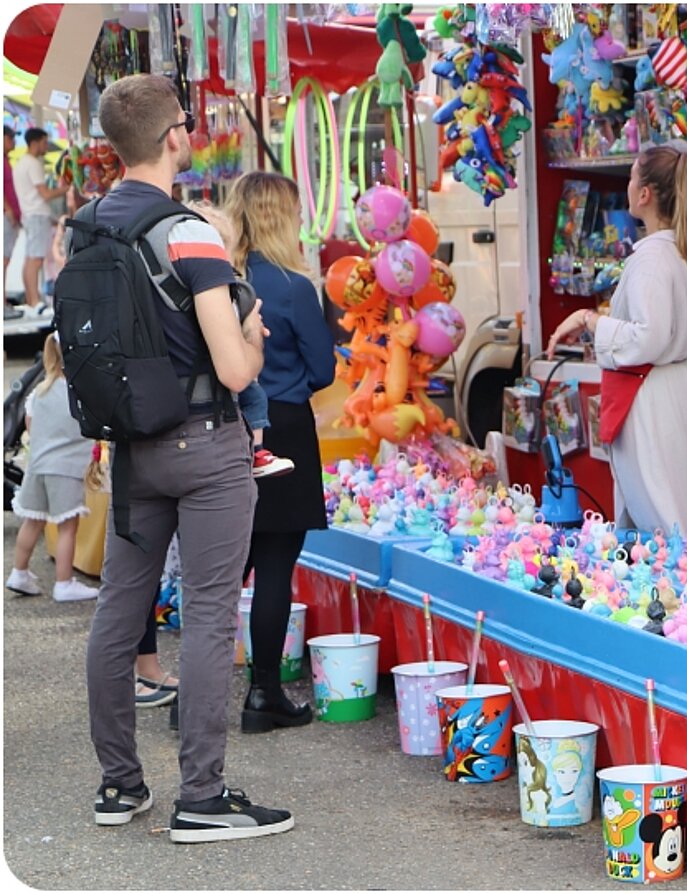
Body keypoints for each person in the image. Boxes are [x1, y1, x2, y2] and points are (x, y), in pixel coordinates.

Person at [81, 74, 293, 842]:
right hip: (205, 445)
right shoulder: (190, 231)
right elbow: (236, 371)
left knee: (118, 612)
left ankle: (119, 786)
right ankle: (201, 797)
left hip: (130, 448)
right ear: (177, 136)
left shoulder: (86, 226)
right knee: (206, 613)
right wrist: (254, 333)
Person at [544, 143, 687, 537]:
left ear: (644, 195)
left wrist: (591, 320)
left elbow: (649, 337)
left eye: (631, 179)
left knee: (662, 512)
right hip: (674, 385)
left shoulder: (652, 258)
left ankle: (685, 584)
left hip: (649, 392)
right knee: (680, 500)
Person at [222, 171, 334, 734]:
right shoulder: (293, 286)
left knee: (219, 571)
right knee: (273, 568)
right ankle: (263, 693)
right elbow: (324, 369)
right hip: (285, 427)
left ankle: (191, 695)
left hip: (225, 427)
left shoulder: (218, 280)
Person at [187, 200, 294, 478]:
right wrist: (251, 330)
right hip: (223, 369)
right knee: (253, 395)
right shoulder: (226, 288)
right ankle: (256, 449)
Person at [5, 333, 100, 602]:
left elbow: (31, 429)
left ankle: (19, 572)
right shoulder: (82, 393)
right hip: (67, 469)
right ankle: (64, 582)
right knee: (67, 527)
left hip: (37, 467)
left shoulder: (39, 391)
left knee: (32, 520)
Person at [14, 127, 64, 316]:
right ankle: (35, 302)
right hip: (36, 215)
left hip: (29, 214)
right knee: (35, 259)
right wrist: (65, 188)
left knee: (30, 259)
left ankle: (31, 300)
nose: (46, 146)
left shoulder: (20, 163)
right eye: (44, 142)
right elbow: (44, 193)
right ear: (34, 143)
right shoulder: (33, 163)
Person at [4, 125, 21, 288]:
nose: (13, 141)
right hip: (5, 215)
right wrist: (8, 210)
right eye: (9, 138)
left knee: (6, 259)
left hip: (11, 215)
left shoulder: (6, 161)